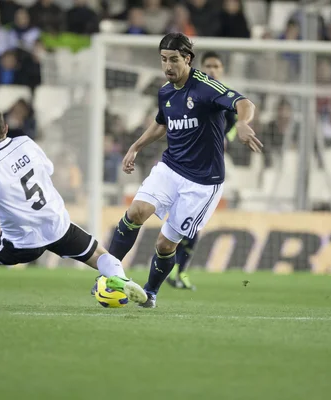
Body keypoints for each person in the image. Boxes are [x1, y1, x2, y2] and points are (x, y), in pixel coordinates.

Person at [0, 106, 147, 304]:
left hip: (22, 241)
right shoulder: (26, 142)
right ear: (5, 128)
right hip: (56, 225)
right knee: (99, 254)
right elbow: (49, 169)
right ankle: (121, 280)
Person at [105, 33, 261, 308]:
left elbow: (245, 104)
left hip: (202, 183)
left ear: (187, 59)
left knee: (165, 244)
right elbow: (161, 123)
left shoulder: (205, 87)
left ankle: (150, 292)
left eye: (174, 59)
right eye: (164, 60)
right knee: (136, 211)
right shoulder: (165, 91)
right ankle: (108, 277)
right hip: (170, 168)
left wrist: (244, 123)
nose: (168, 66)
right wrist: (135, 147)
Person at [166, 50, 235, 290]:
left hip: (208, 171)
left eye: (217, 66)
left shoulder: (225, 97)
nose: (213, 69)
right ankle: (170, 268)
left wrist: (226, 137)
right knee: (177, 221)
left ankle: (180, 272)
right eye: (209, 65)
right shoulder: (192, 92)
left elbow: (234, 126)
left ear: (222, 70)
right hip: (181, 166)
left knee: (192, 224)